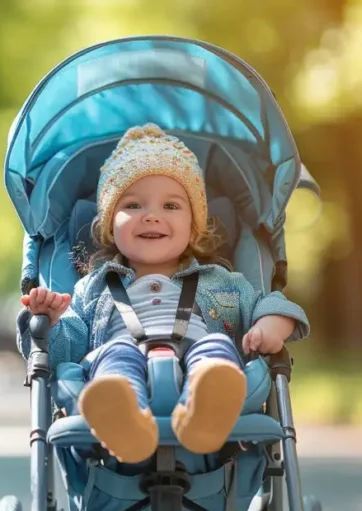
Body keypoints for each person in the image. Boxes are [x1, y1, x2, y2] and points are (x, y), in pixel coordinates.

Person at [20, 124, 309, 461]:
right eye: (134, 205)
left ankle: (205, 411)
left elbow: (267, 303)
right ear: (110, 222)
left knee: (215, 348)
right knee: (114, 358)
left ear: (194, 225)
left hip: (195, 361)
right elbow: (66, 348)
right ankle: (124, 420)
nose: (152, 216)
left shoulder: (221, 281)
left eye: (171, 206)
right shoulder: (93, 286)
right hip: (119, 357)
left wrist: (273, 323)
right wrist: (52, 320)